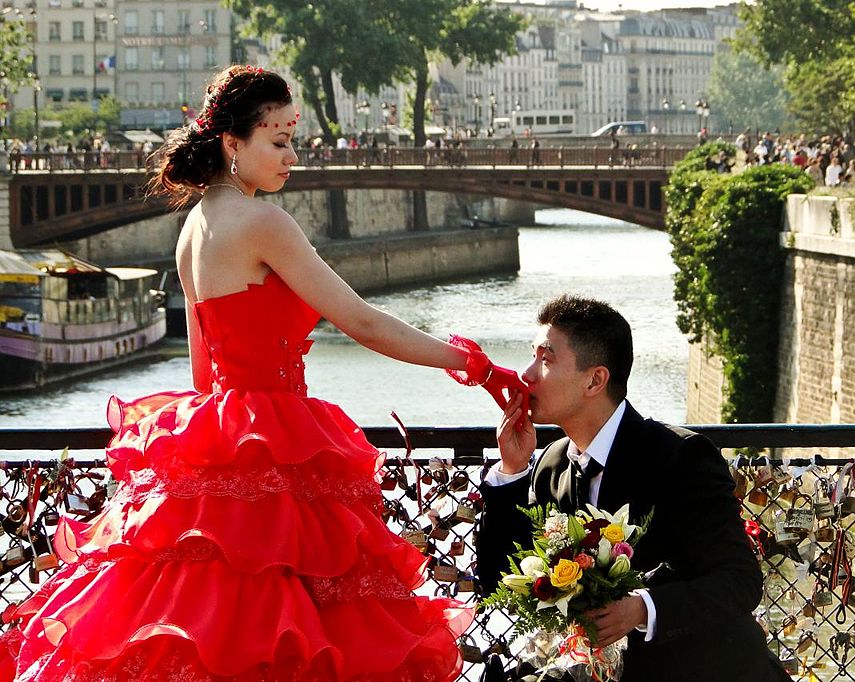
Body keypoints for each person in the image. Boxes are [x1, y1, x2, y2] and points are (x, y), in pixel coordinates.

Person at [0, 64, 522, 681]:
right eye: (278, 141)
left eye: (292, 140)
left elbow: (202, 373)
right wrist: (472, 364)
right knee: (305, 632)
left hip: (215, 437)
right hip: (278, 431)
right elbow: (363, 322)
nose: (291, 156)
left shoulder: (191, 229)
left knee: (202, 627)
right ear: (231, 143)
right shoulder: (265, 223)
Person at [477, 295, 791, 681]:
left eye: (546, 358)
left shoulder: (681, 457)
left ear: (595, 380)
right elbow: (496, 582)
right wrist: (511, 470)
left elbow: (741, 581)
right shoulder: (550, 463)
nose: (526, 374)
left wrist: (643, 609)